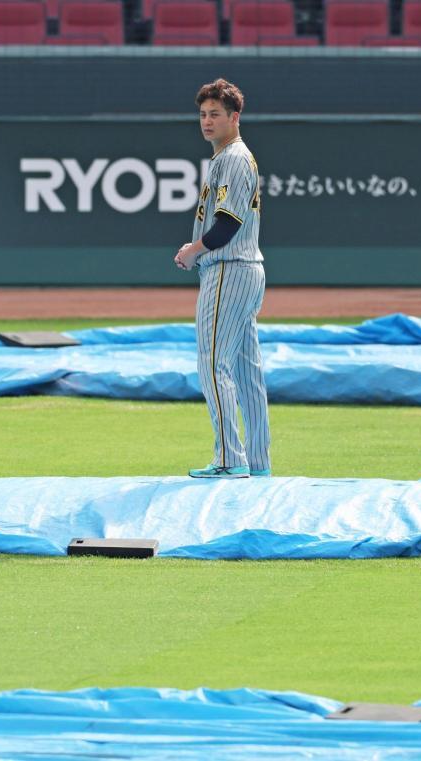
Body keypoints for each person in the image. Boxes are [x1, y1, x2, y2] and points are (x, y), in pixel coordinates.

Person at [174, 78, 271, 479]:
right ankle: (258, 460)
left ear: (235, 117)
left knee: (214, 365)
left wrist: (194, 249)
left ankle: (231, 458)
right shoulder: (233, 157)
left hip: (229, 268)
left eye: (216, 114)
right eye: (203, 114)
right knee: (247, 370)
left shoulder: (232, 157)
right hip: (248, 269)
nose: (207, 121)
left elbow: (227, 222)